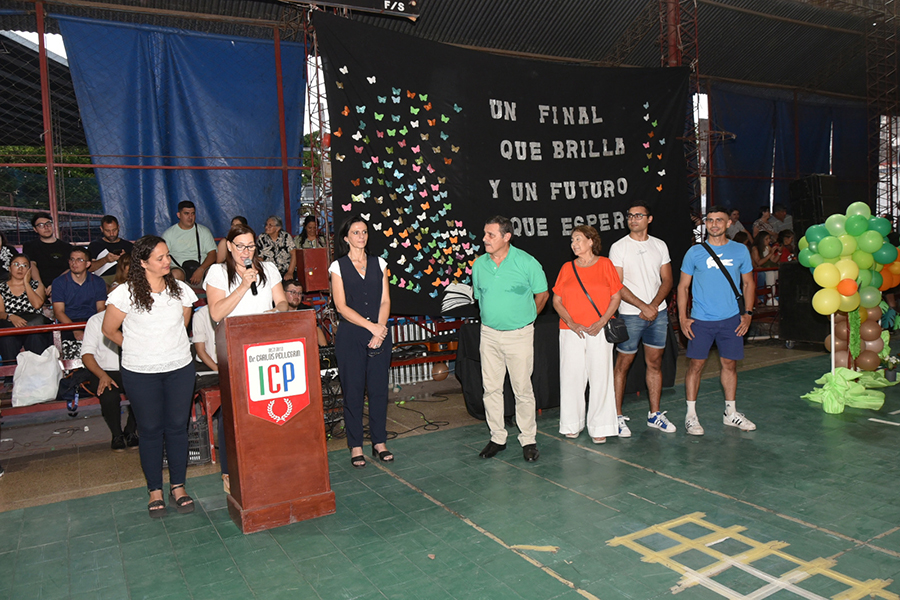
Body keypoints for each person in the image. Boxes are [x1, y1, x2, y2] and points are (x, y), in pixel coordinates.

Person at [103, 235, 199, 518]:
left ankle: (178, 487)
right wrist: (139, 347)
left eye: (168, 255)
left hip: (179, 368)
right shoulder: (125, 293)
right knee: (150, 430)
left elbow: (184, 321)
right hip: (141, 372)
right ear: (143, 263)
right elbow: (109, 330)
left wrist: (166, 346)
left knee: (177, 427)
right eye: (160, 258)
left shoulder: (180, 290)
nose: (167, 261)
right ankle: (155, 490)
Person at [203, 223, 289, 490]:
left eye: (250, 246)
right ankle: (230, 471)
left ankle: (266, 463)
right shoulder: (217, 273)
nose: (246, 251)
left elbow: (282, 301)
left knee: (266, 409)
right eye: (240, 246)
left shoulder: (269, 269)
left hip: (266, 351)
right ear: (229, 246)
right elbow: (216, 314)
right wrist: (243, 285)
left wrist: (279, 311)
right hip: (234, 352)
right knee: (234, 412)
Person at [472, 215, 549, 462]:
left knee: (522, 389)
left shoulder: (527, 262)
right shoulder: (478, 265)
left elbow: (543, 295)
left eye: (491, 235)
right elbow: (479, 297)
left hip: (520, 335)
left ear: (507, 237)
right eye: (485, 233)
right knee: (491, 388)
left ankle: (528, 439)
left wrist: (526, 320)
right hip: (489, 334)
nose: (485, 239)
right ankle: (497, 437)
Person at [677, 206, 756, 436]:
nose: (714, 225)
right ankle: (691, 416)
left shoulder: (740, 250)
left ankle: (730, 413)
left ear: (729, 223)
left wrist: (748, 314)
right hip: (701, 320)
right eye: (710, 220)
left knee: (730, 365)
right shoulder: (694, 252)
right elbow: (682, 287)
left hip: (731, 319)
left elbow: (749, 284)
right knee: (695, 366)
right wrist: (683, 318)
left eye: (719, 220)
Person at [329, 215, 392, 468]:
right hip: (351, 335)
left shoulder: (379, 263)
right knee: (353, 391)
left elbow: (386, 300)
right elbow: (341, 306)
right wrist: (371, 327)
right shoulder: (338, 266)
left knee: (378, 390)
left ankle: (379, 442)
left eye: (364, 232)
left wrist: (380, 330)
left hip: (380, 333)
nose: (361, 236)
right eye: (356, 232)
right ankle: (356, 446)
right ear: (346, 237)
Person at [609, 203, 676, 437]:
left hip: (657, 314)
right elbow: (617, 284)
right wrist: (642, 306)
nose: (633, 219)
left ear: (649, 219)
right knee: (622, 365)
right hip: (630, 314)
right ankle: (616, 417)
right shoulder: (618, 247)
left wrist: (654, 306)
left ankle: (654, 414)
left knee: (655, 363)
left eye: (638, 215)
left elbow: (667, 279)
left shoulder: (660, 245)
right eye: (630, 215)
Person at [552, 225, 622, 444]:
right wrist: (571, 322)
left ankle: (600, 425)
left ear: (591, 241)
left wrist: (602, 322)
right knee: (571, 377)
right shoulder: (566, 268)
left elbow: (616, 296)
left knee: (601, 377)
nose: (574, 244)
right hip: (571, 331)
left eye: (579, 239)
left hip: (599, 330)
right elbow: (557, 300)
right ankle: (572, 423)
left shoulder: (605, 264)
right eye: (572, 240)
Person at [81, 310, 138, 451]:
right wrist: (102, 375)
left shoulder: (137, 317)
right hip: (104, 371)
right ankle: (116, 435)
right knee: (109, 394)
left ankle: (131, 430)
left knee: (145, 391)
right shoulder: (96, 320)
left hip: (133, 368)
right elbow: (87, 355)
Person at [51, 248, 107, 350]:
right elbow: (58, 312)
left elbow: (100, 309)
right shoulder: (59, 282)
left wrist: (93, 328)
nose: (74, 263)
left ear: (88, 264)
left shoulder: (98, 282)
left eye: (79, 260)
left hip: (91, 321)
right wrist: (75, 329)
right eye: (72, 259)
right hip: (68, 322)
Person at [0, 254, 52, 362]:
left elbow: (37, 305)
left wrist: (26, 284)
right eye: (16, 264)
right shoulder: (1, 287)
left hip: (33, 326)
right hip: (11, 326)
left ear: (29, 270)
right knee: (7, 340)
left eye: (24, 265)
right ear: (9, 268)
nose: (20, 268)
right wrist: (10, 317)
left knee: (36, 337)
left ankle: (38, 373)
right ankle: (11, 375)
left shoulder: (37, 285)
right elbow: (0, 312)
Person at [162, 201, 217, 285]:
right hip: (179, 270)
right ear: (179, 215)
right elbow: (162, 256)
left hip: (201, 269)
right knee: (174, 275)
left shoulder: (204, 231)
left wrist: (201, 269)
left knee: (214, 273)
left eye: (193, 213)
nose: (190, 217)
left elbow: (212, 254)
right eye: (186, 213)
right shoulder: (169, 234)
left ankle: (214, 297)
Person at [23, 213, 73, 292]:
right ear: (35, 229)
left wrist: (57, 284)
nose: (46, 227)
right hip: (38, 287)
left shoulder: (67, 247)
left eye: (48, 224)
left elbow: (71, 268)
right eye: (41, 225)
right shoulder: (30, 246)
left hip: (64, 286)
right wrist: (40, 285)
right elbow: (32, 265)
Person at [88, 215, 133, 284]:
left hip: (124, 279)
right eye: (107, 231)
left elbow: (137, 267)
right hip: (102, 280)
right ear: (101, 229)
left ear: (118, 227)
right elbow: (89, 268)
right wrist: (105, 260)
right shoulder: (95, 245)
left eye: (114, 230)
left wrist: (125, 259)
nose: (111, 234)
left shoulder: (128, 246)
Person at [285, 279, 328, 346]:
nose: (297, 296)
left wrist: (325, 350)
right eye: (293, 292)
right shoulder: (276, 311)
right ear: (283, 293)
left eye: (299, 293)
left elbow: (315, 329)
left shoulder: (307, 311)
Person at [257, 215, 297, 279]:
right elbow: (260, 257)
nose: (267, 227)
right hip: (269, 273)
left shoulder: (286, 236)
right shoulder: (262, 238)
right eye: (266, 224)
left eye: (270, 225)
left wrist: (290, 272)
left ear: (278, 228)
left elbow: (294, 254)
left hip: (286, 271)